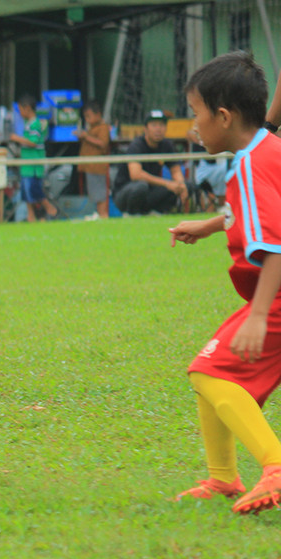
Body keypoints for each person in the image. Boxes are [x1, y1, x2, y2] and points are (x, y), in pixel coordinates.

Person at [169, 51, 281, 515]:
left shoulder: (251, 166)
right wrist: (211, 225)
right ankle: (222, 478)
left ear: (223, 116)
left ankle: (275, 466)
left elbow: (276, 246)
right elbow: (259, 213)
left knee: (210, 371)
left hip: (276, 298)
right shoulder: (267, 149)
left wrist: (258, 315)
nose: (193, 127)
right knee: (209, 368)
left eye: (195, 113)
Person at [113, 110, 196, 215]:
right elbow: (136, 175)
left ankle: (157, 212)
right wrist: (167, 184)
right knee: (141, 187)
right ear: (145, 129)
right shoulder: (137, 145)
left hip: (150, 191)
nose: (158, 129)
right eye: (154, 125)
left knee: (187, 185)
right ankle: (131, 215)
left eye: (161, 125)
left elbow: (175, 170)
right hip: (125, 191)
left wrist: (181, 185)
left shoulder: (167, 145)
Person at [10, 94, 57, 222]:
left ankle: (50, 209)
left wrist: (17, 138)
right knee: (25, 191)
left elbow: (33, 142)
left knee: (34, 189)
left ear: (27, 108)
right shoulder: (27, 123)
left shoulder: (36, 124)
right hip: (26, 164)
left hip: (34, 166)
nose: (19, 113)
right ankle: (30, 215)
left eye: (20, 109)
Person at [73, 100, 111, 220]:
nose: (87, 120)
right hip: (90, 167)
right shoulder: (91, 128)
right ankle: (99, 214)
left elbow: (103, 143)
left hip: (98, 167)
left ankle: (103, 215)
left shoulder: (103, 128)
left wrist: (86, 136)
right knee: (94, 193)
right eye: (85, 117)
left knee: (100, 194)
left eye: (89, 116)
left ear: (98, 114)